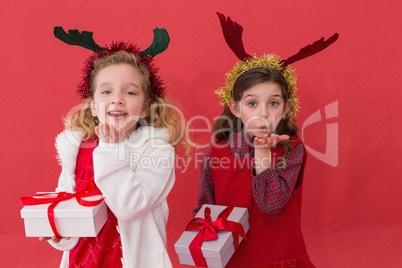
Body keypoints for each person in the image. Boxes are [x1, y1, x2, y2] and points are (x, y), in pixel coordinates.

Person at [41, 27, 188, 268]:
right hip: (83, 261)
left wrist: (112, 149)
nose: (117, 99)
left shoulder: (157, 150)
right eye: (106, 91)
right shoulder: (77, 150)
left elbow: (129, 208)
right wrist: (59, 232)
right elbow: (69, 207)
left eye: (130, 92)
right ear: (91, 105)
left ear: (144, 107)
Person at [194, 55, 314, 267]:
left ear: (286, 108)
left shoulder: (292, 150)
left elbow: (271, 204)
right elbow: (204, 212)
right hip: (234, 260)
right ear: (236, 109)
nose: (264, 113)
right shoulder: (216, 154)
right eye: (252, 103)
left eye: (273, 103)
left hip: (279, 257)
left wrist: (262, 153)